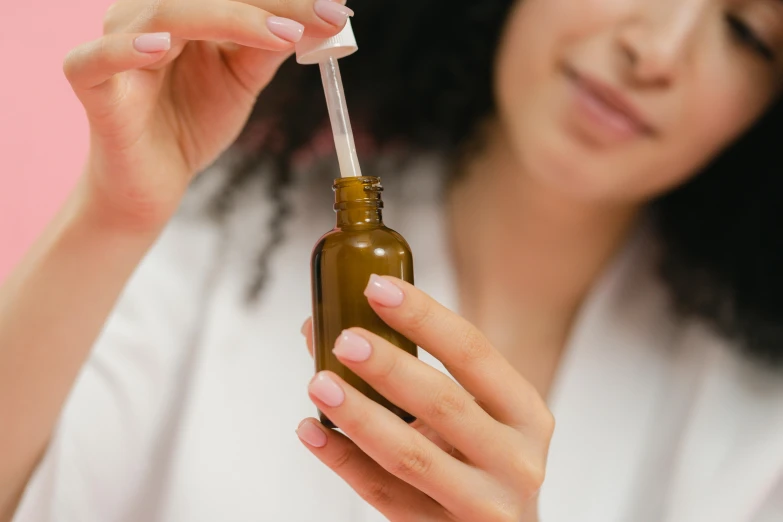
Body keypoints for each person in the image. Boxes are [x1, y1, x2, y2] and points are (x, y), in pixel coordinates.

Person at [2, 0, 783, 520]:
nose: (653, 50)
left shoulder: (757, 441)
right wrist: (111, 214)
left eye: (747, 32)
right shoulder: (224, 238)